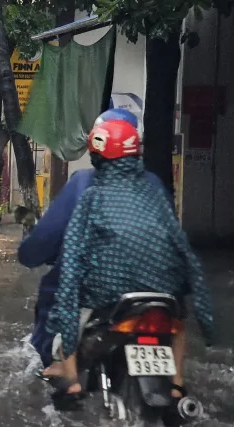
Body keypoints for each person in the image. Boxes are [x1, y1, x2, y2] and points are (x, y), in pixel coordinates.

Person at [44, 118, 214, 409]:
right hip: (163, 297)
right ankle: (177, 386)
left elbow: (71, 261)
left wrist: (65, 307)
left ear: (99, 156)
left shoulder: (92, 197)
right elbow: (184, 250)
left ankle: (72, 378)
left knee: (66, 316)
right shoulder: (155, 195)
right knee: (180, 326)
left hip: (110, 297)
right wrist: (206, 319)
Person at [19, 110, 166, 376]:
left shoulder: (84, 183)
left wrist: (30, 248)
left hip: (100, 291)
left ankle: (56, 370)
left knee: (52, 295)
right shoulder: (153, 184)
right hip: (156, 291)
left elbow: (45, 240)